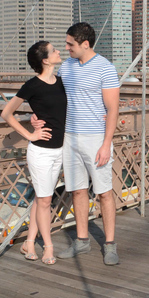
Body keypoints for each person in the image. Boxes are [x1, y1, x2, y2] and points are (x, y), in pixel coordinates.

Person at [56, 22, 120, 265]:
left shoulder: (105, 68)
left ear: (85, 44)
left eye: (70, 44)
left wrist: (106, 143)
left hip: (96, 139)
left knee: (104, 192)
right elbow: (57, 96)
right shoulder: (66, 66)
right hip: (70, 138)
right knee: (78, 190)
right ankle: (82, 242)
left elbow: (113, 108)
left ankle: (110, 245)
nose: (66, 47)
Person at [1, 41, 66, 265]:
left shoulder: (61, 82)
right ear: (45, 60)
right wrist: (29, 135)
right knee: (46, 200)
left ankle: (29, 242)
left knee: (41, 196)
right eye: (55, 50)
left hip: (59, 149)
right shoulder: (32, 85)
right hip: (40, 152)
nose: (59, 52)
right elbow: (6, 113)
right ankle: (48, 246)